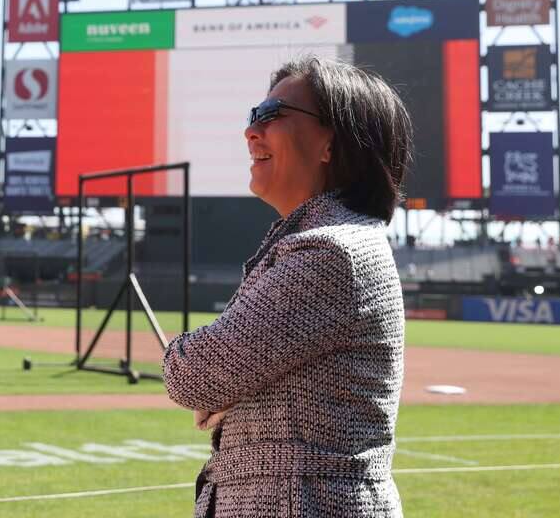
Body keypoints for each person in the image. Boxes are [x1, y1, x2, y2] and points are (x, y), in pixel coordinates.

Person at [162, 55, 412, 518]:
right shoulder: (321, 244)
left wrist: (207, 380)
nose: (251, 131)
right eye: (252, 115)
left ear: (330, 145)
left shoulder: (328, 252)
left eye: (270, 115)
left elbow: (192, 376)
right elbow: (214, 375)